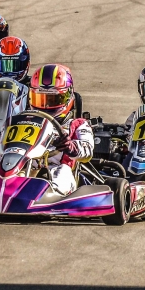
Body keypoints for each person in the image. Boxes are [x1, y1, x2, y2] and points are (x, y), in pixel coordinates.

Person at [28, 64, 94, 195]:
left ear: (67, 97)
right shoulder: (25, 120)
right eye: (41, 99)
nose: (46, 105)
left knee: (62, 171)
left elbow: (88, 150)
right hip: (25, 168)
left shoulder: (77, 124)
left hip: (57, 171)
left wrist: (71, 146)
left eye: (53, 100)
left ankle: (50, 196)